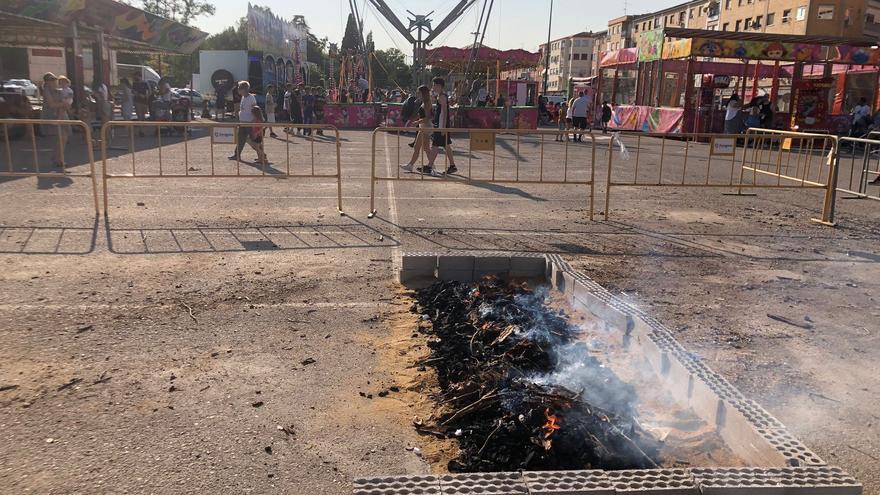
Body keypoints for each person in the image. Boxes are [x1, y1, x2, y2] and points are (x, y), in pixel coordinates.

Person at [425, 77, 457, 175]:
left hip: (441, 125)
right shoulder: (440, 96)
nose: (433, 87)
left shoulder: (442, 97)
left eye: (434, 85)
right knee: (446, 146)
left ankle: (429, 166)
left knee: (435, 145)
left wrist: (443, 127)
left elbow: (445, 112)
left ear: (439, 86)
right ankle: (452, 166)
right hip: (440, 125)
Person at [400, 85, 434, 173]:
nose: (417, 94)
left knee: (420, 148)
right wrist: (415, 118)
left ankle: (412, 165)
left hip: (426, 127)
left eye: (418, 92)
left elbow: (428, 118)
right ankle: (430, 165)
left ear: (423, 93)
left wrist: (417, 122)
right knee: (423, 148)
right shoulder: (424, 102)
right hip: (423, 127)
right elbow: (422, 115)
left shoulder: (427, 103)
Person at [40, 72, 71, 167]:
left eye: (54, 79)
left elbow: (66, 103)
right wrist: (63, 104)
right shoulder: (46, 90)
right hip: (50, 115)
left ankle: (57, 158)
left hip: (61, 115)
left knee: (63, 137)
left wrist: (64, 106)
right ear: (47, 82)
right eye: (51, 80)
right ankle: (58, 159)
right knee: (60, 137)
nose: (53, 81)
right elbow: (51, 104)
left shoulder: (59, 90)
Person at [229, 80, 257, 161]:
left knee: (253, 140)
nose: (238, 89)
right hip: (243, 123)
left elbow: (255, 110)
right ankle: (237, 154)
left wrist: (253, 122)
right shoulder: (243, 97)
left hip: (249, 123)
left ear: (244, 89)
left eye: (239, 88)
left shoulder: (251, 98)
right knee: (240, 139)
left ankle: (262, 154)